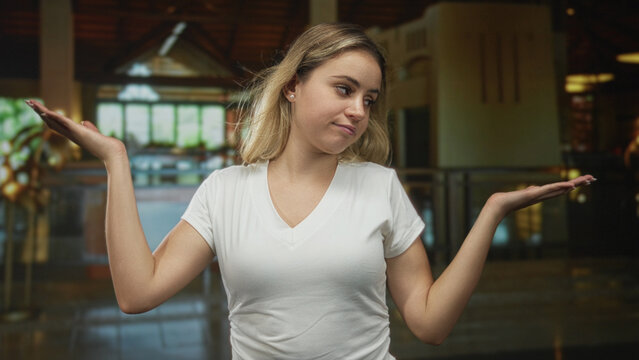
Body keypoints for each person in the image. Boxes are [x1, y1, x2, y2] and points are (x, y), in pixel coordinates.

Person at [27, 23, 594, 360]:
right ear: (293, 87)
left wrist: (491, 213)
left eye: (369, 99)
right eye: (344, 89)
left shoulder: (379, 187)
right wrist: (116, 161)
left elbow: (428, 323)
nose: (358, 111)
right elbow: (136, 293)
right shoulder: (225, 191)